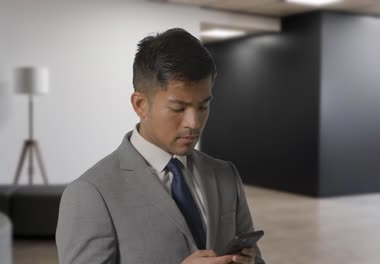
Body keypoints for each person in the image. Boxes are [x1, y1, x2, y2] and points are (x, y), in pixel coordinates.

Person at [56, 28, 265, 264]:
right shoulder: (90, 193)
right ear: (140, 104)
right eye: (178, 108)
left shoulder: (225, 174)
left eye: (203, 106)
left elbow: (257, 259)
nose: (193, 123)